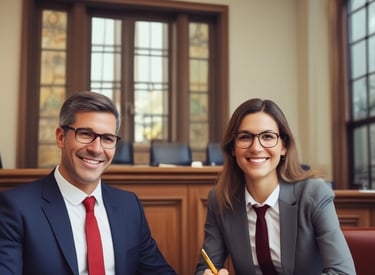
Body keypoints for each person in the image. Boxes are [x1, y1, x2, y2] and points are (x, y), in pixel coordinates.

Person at [0, 91, 176, 275]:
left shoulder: (129, 205)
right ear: (61, 137)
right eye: (85, 134)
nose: (96, 149)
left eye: (107, 139)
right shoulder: (16, 208)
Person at [195, 98, 355, 275]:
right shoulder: (220, 201)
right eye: (245, 137)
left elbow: (343, 273)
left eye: (268, 137)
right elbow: (206, 267)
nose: (256, 147)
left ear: (284, 146)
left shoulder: (314, 195)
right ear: (233, 148)